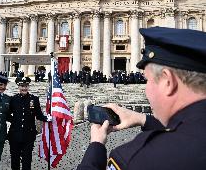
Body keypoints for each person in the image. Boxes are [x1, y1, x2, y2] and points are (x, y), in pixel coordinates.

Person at [77, 27, 206, 170]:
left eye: (147, 80)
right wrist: (143, 119)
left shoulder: (135, 159)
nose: (146, 89)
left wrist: (96, 145)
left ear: (167, 82)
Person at [8, 77, 52, 170]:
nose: (24, 88)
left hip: (29, 135)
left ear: (28, 87)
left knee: (27, 160)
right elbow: (7, 114)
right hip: (15, 134)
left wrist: (48, 118)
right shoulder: (13, 99)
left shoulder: (34, 99)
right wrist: (15, 121)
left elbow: (39, 115)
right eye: (22, 86)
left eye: (26, 86)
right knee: (14, 159)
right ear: (18, 86)